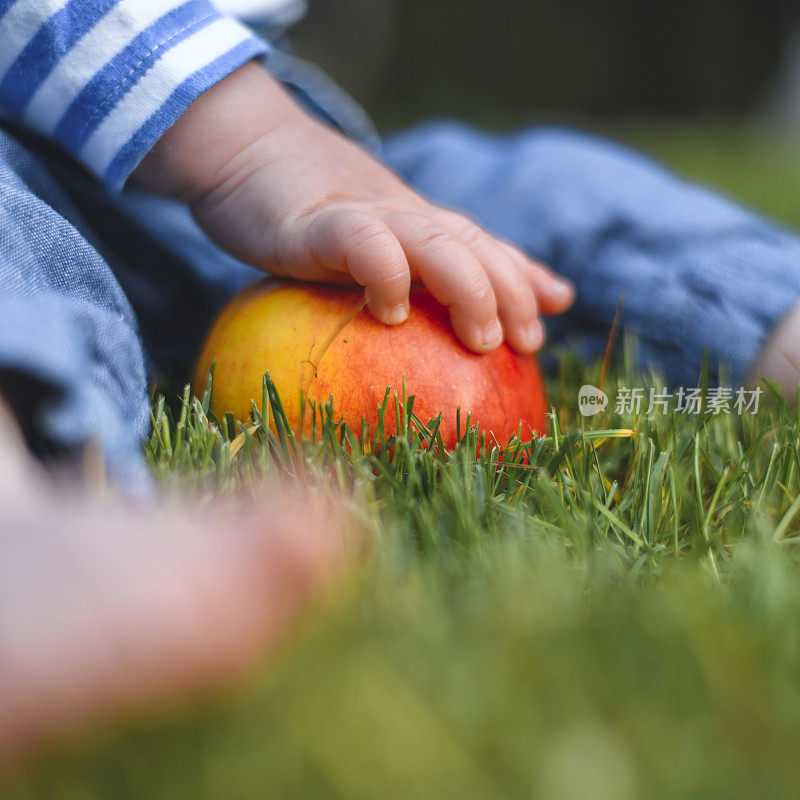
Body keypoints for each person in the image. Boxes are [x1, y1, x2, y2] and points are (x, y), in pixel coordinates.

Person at [1, 0, 800, 766]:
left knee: (544, 187)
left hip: (272, 169)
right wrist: (252, 144)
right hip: (98, 162)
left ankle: (776, 318)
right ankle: (21, 528)